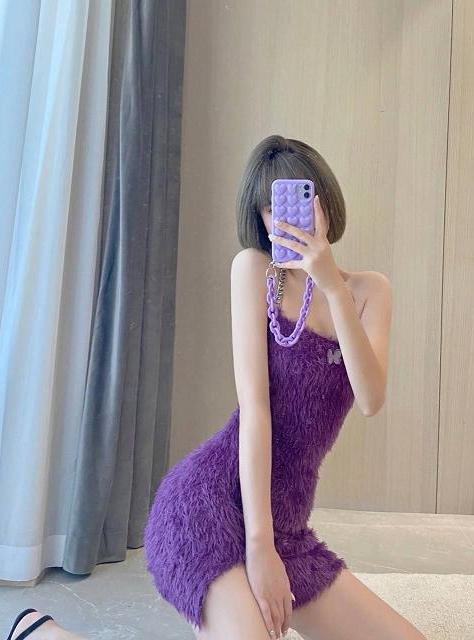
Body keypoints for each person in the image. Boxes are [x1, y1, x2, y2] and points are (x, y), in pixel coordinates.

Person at [144, 135, 427, 639]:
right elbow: (255, 411)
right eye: (272, 209)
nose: (286, 220)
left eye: (298, 201)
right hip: (209, 505)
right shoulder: (254, 270)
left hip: (288, 525)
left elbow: (370, 399)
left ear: (324, 204)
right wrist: (259, 547)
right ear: (260, 217)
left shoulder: (369, 291)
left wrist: (331, 284)